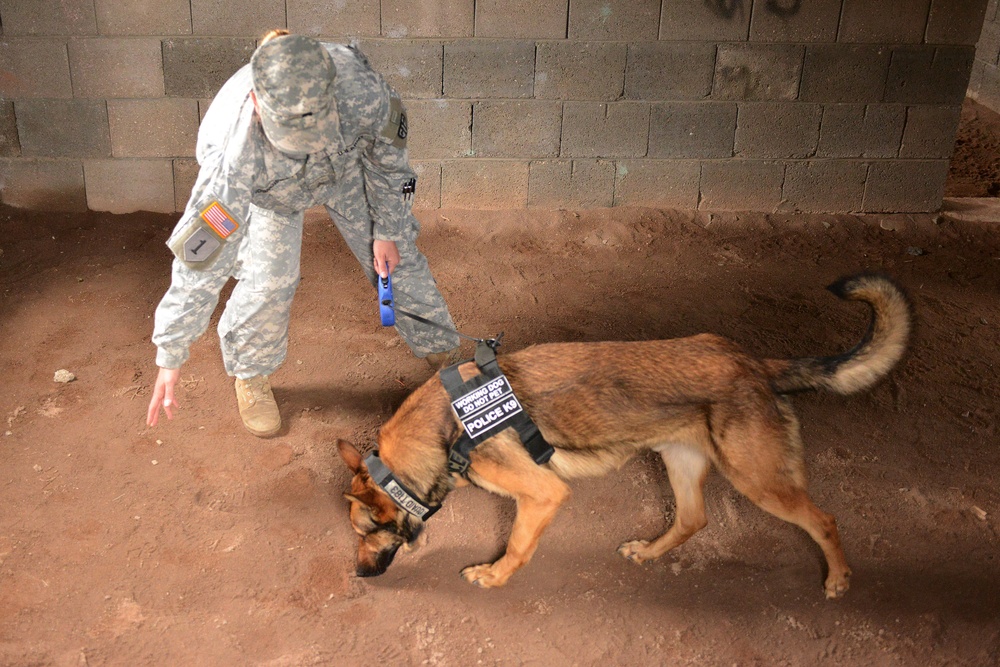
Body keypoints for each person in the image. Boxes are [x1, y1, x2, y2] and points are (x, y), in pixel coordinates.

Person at [145, 30, 460, 437]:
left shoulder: (363, 92)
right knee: (269, 282)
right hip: (271, 194)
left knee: (395, 256)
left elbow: (392, 168)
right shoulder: (233, 156)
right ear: (258, 104)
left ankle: (440, 346)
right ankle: (252, 374)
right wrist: (171, 351)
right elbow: (201, 258)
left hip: (341, 169)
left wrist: (387, 229)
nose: (305, 144)